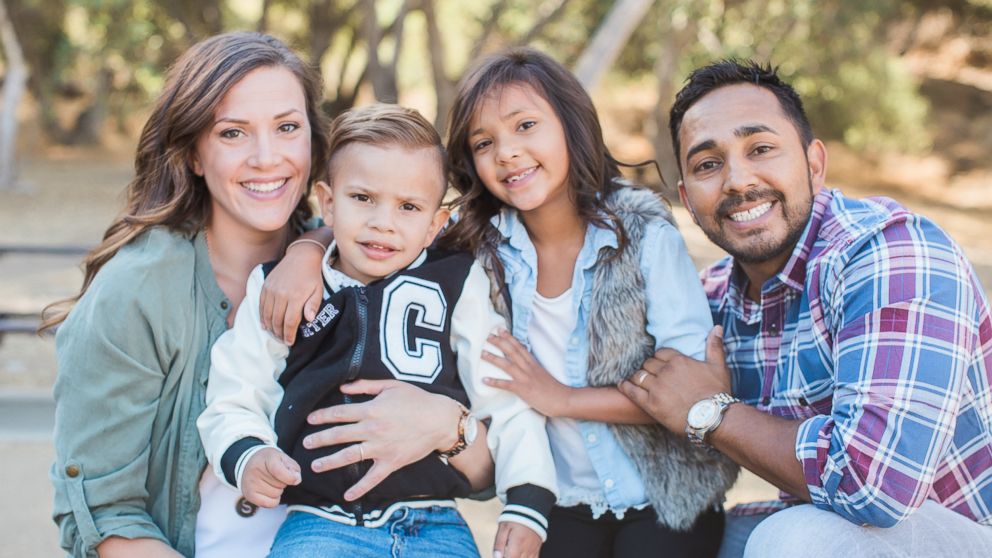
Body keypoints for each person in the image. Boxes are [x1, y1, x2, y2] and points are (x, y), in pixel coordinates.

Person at [44, 32, 490, 558]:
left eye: (287, 127)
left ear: (313, 144)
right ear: (193, 154)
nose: (266, 157)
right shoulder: (136, 292)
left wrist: (448, 425)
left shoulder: (369, 257)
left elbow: (486, 473)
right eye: (233, 133)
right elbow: (99, 512)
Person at [619, 59, 992, 558]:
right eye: (708, 164)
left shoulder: (890, 253)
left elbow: (873, 485)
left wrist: (709, 412)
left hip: (964, 533)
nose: (736, 180)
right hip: (843, 532)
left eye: (762, 148)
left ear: (815, 163)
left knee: (796, 541)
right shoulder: (711, 303)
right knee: (672, 543)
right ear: (687, 198)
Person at [197, 103, 557, 558]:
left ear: (434, 225)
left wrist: (528, 504)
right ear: (328, 202)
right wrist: (248, 455)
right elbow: (235, 392)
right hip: (320, 525)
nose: (382, 222)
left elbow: (503, 398)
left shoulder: (457, 283)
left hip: (435, 522)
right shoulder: (281, 287)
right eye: (363, 198)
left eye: (408, 206)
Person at [439, 47, 736, 558]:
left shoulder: (643, 232)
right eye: (484, 142)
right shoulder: (476, 247)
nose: (506, 152)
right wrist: (309, 251)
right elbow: (382, 220)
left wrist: (560, 398)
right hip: (559, 503)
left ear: (571, 124)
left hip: (666, 501)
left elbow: (690, 388)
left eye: (526, 125)